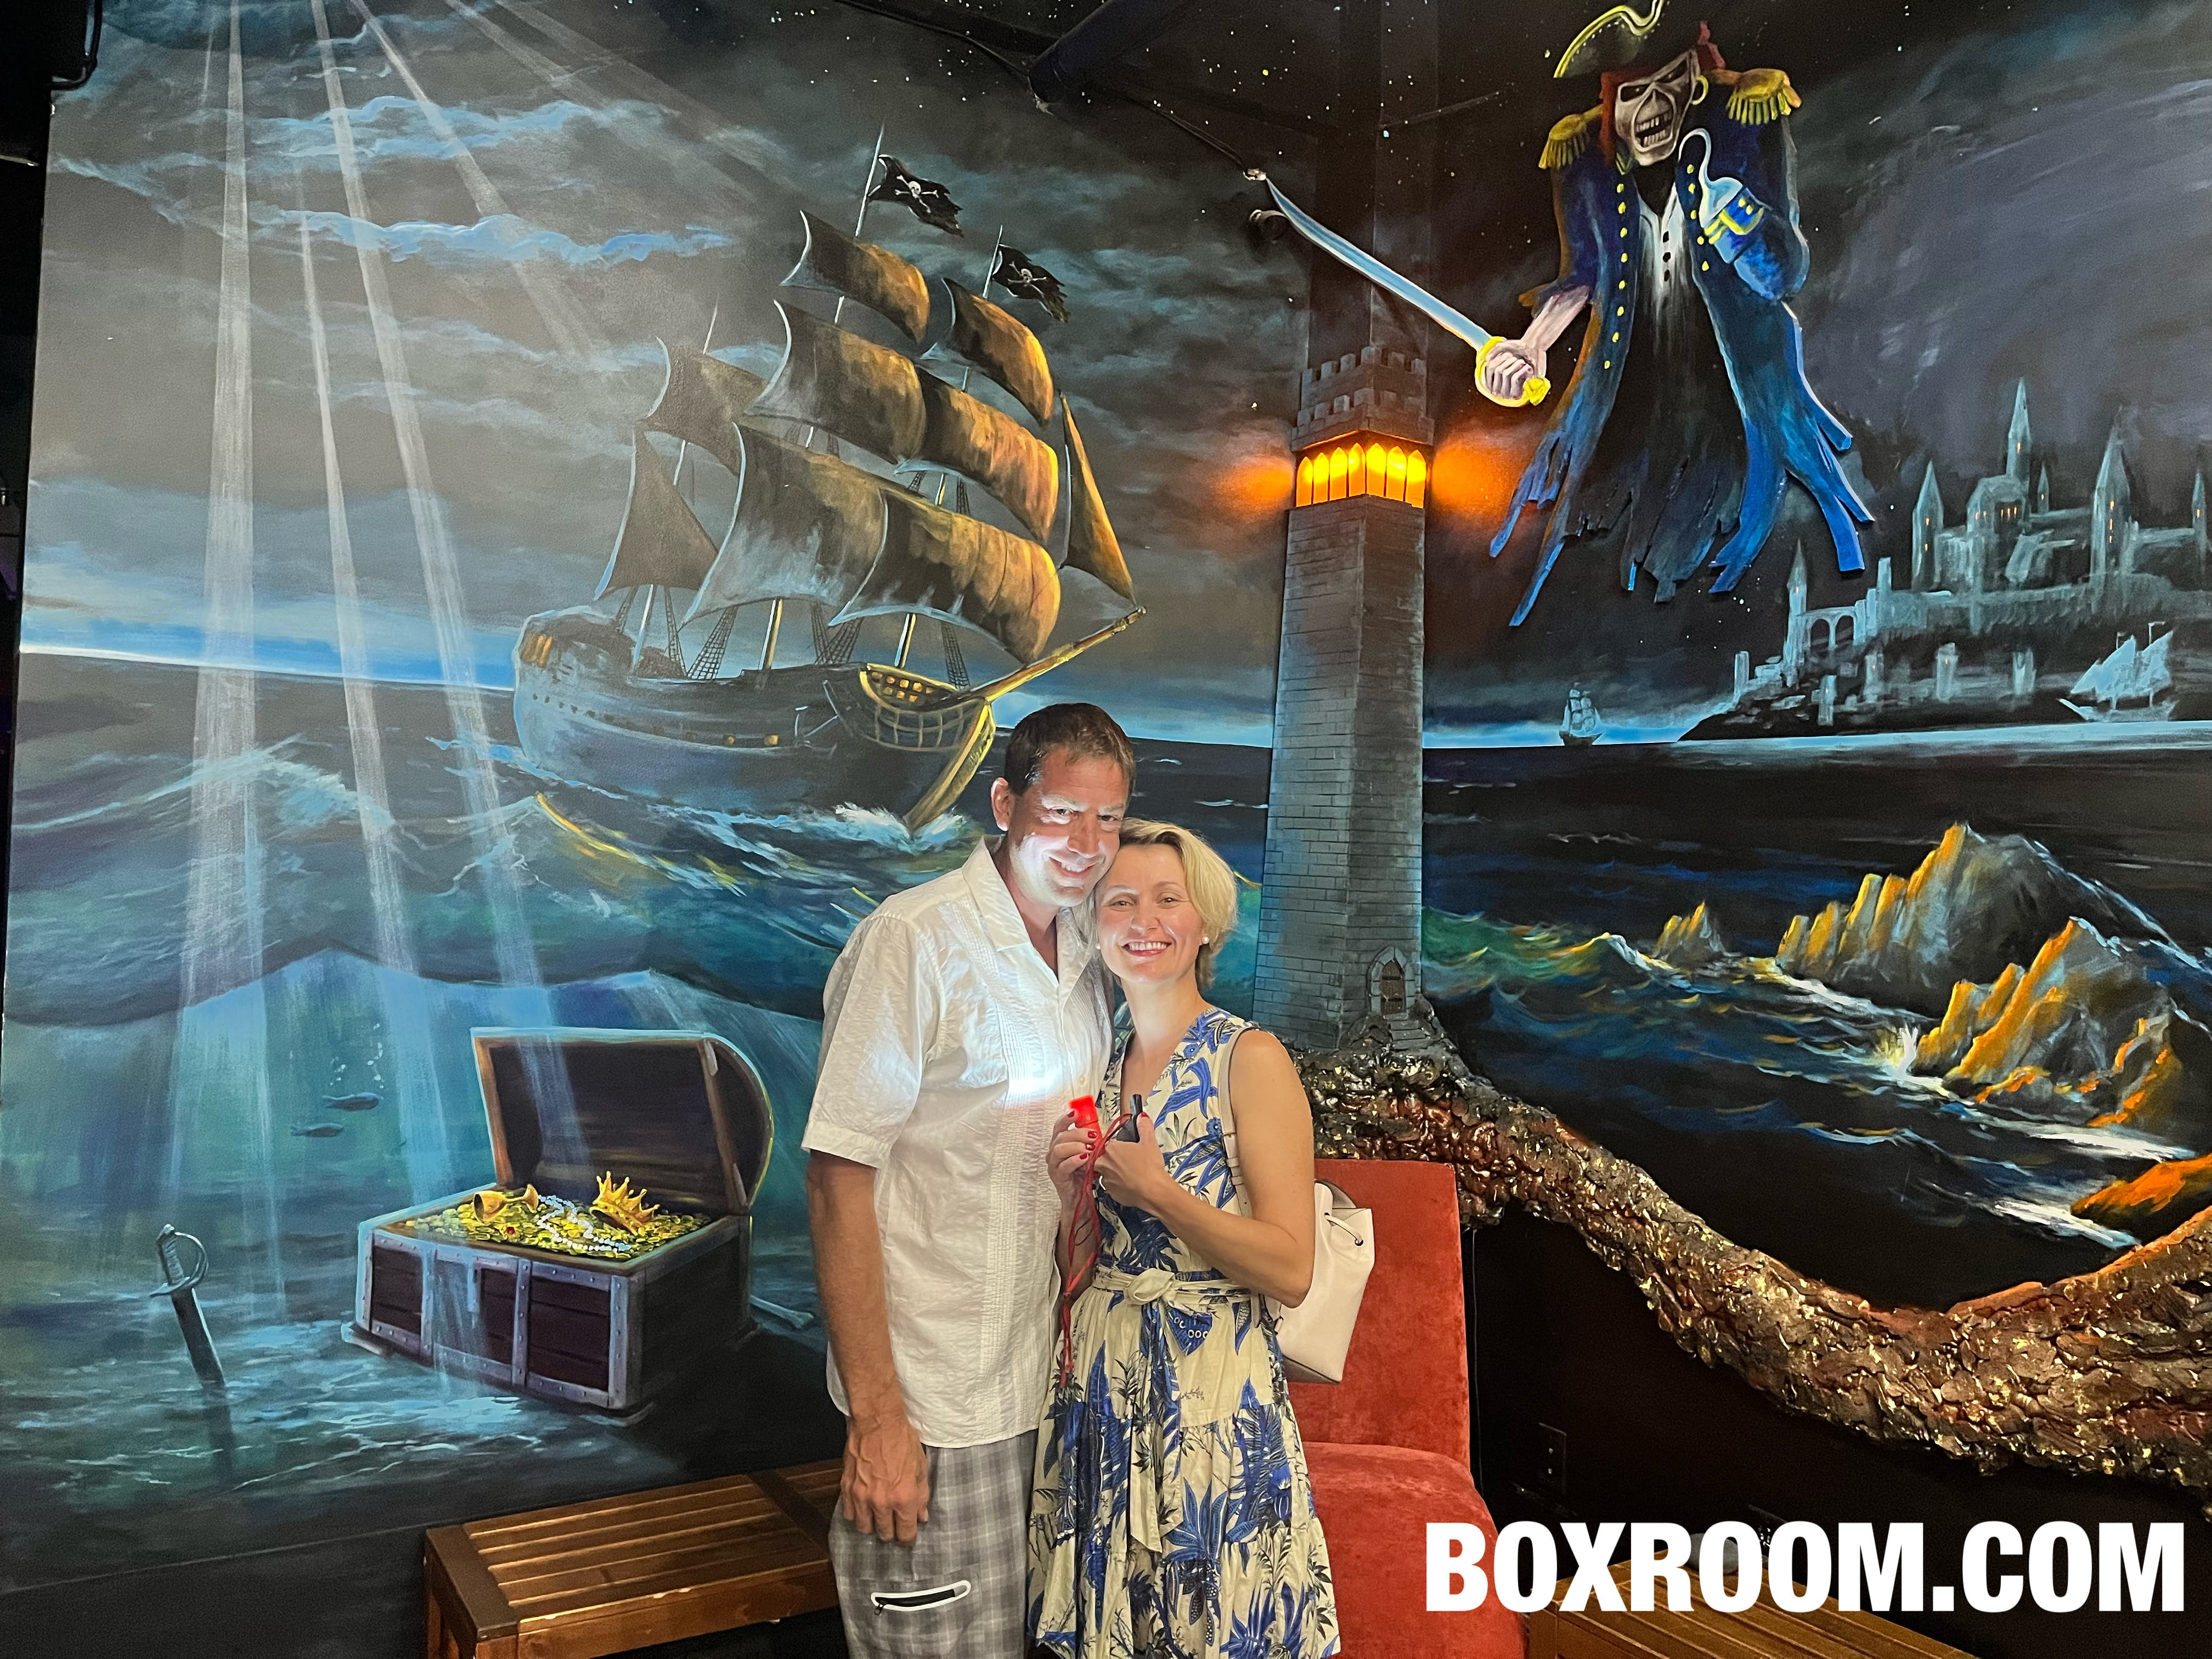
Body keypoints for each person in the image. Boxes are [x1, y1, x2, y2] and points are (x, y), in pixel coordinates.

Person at [804, 703, 1134, 1658]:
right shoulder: (913, 940)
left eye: (1109, 820)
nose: (1086, 844)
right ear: (1004, 803)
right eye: (1062, 812)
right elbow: (835, 1180)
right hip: (932, 1408)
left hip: (1042, 1395)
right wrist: (879, 1421)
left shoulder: (1090, 962)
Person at [1029, 821, 1339, 1659]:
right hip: (1103, 1388)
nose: (1145, 920)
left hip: (1212, 1394)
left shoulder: (1250, 1057)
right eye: (1120, 901)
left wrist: (1162, 1195)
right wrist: (1070, 1196)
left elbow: (1292, 1268)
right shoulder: (1099, 1065)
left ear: (1205, 923)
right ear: (1095, 927)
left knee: (1215, 1621)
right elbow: (1085, 1270)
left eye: (1168, 899)